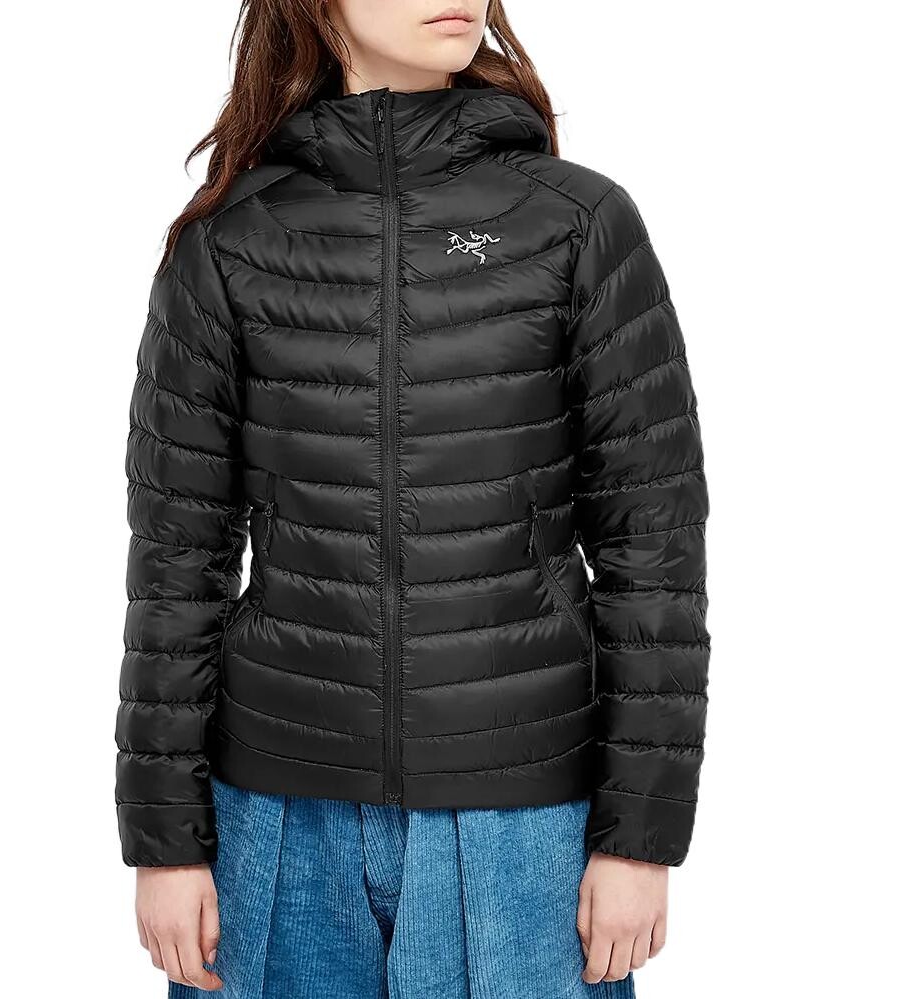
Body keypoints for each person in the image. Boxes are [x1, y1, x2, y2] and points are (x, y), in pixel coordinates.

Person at [115, 1, 710, 996]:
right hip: (277, 818)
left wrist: (640, 836)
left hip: (523, 825)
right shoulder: (229, 241)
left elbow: (654, 546)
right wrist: (165, 841)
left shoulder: (574, 222)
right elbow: (176, 562)